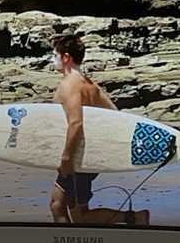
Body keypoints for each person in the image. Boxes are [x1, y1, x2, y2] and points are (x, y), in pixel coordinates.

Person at [49, 32, 150, 227]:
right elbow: (115, 115)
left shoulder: (70, 85)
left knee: (69, 211)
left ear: (66, 57)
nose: (53, 60)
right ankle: (75, 239)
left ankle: (135, 218)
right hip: (88, 155)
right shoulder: (90, 85)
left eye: (55, 55)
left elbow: (75, 123)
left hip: (78, 157)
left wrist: (66, 159)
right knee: (61, 206)